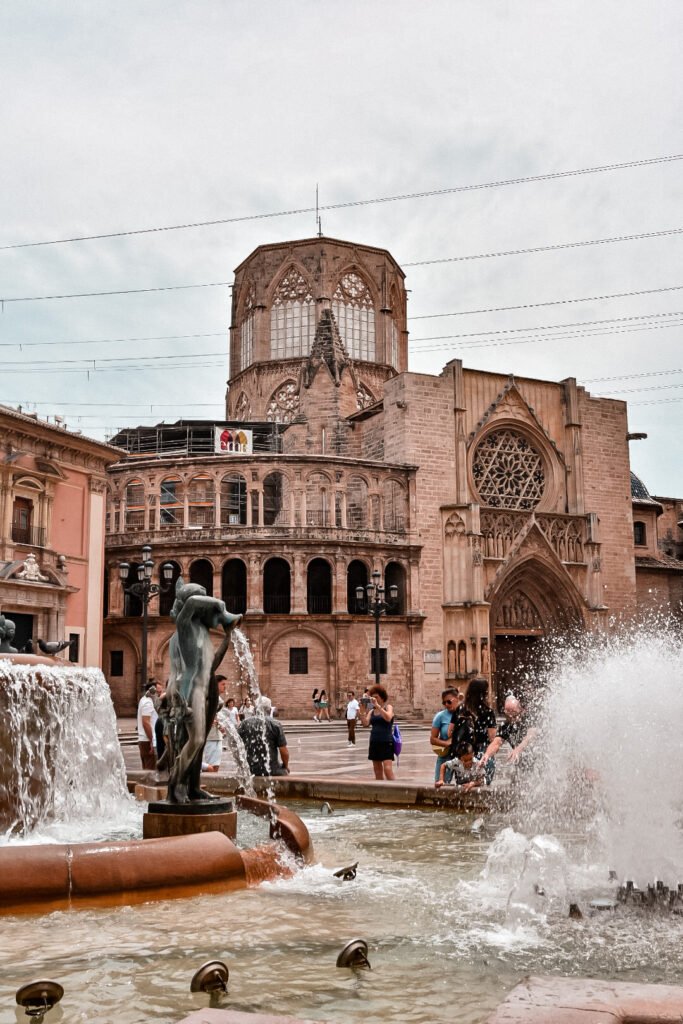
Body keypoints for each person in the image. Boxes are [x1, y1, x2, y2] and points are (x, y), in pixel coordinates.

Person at [164, 577, 241, 803]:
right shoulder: (185, 626)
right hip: (189, 691)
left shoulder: (200, 632)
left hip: (203, 689)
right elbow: (192, 602)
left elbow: (211, 665)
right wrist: (223, 609)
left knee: (198, 741)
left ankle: (193, 787)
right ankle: (176, 784)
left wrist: (227, 637)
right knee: (195, 740)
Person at [447, 677, 497, 785]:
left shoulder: (460, 709)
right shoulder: (488, 711)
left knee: (463, 786)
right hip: (480, 753)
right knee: (482, 787)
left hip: (462, 755)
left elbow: (449, 732)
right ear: (484, 693)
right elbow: (492, 737)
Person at [478, 694, 537, 775]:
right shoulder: (505, 726)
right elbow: (496, 742)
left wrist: (518, 749)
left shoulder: (529, 718)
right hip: (521, 763)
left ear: (521, 710)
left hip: (539, 759)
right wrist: (487, 755)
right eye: (508, 714)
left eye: (514, 713)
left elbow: (530, 736)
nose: (512, 717)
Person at [237, 696, 290, 776]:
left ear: (255, 709)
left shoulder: (244, 723)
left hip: (249, 769)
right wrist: (285, 766)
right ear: (269, 709)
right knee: (285, 772)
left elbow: (235, 745)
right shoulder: (275, 724)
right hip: (271, 769)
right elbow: (284, 751)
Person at [359, 684, 396, 780]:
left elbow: (388, 718)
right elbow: (365, 724)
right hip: (374, 741)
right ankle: (381, 792)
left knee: (387, 769)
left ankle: (394, 789)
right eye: (373, 697)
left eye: (376, 697)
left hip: (386, 741)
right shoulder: (371, 712)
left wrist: (378, 706)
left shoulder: (388, 707)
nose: (374, 699)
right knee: (377, 769)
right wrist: (362, 711)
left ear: (382, 697)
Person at [430, 688, 460, 781]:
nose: (446, 704)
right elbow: (432, 739)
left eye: (448, 701)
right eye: (444, 703)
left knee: (464, 786)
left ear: (456, 699)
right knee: (441, 784)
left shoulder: (464, 713)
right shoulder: (440, 716)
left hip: (462, 755)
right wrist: (447, 743)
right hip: (445, 755)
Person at [137, 684, 158, 770]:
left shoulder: (144, 700)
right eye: (156, 691)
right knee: (150, 772)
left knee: (146, 769)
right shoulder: (147, 703)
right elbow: (145, 722)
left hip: (144, 740)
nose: (157, 694)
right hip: (147, 740)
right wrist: (152, 741)